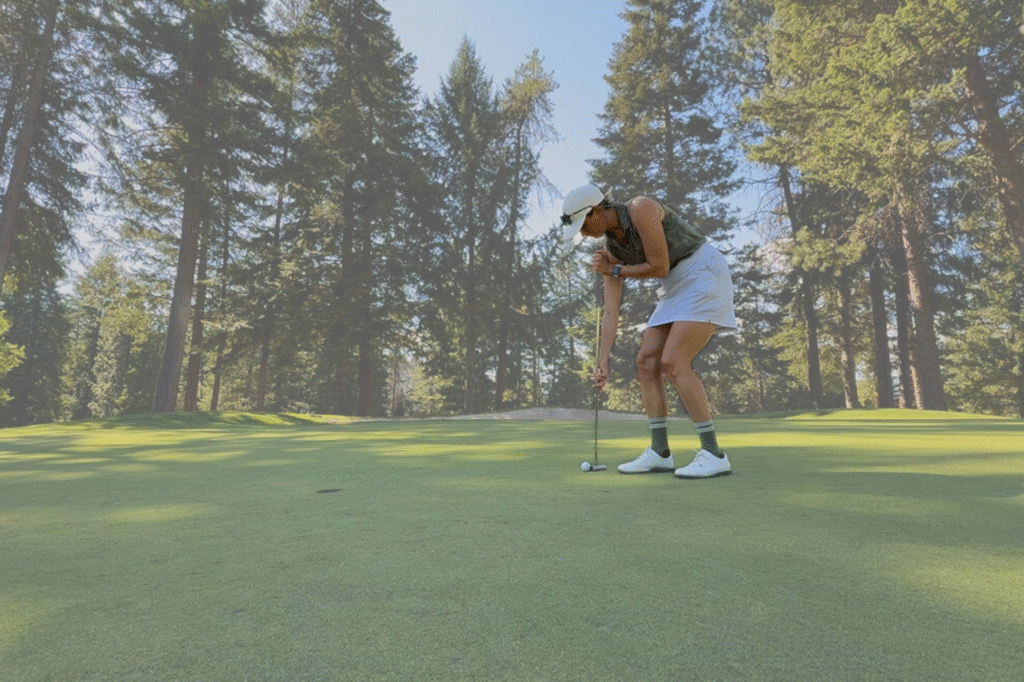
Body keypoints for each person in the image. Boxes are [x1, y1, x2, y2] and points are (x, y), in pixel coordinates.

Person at [561, 184, 736, 479]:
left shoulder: (640, 208)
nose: (583, 233)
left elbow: (660, 265)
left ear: (597, 210)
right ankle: (660, 453)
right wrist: (602, 361)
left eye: (584, 224)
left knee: (673, 361)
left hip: (703, 272)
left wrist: (614, 270)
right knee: (646, 362)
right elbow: (611, 311)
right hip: (672, 288)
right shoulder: (611, 250)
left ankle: (714, 454)